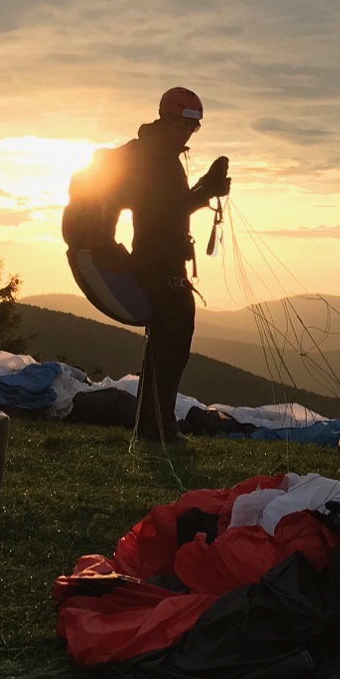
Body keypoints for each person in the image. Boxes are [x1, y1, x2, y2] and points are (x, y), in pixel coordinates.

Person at [107, 87, 231, 443]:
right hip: (158, 263)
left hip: (156, 260)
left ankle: (153, 424)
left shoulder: (155, 154)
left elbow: (167, 207)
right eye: (184, 126)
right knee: (171, 345)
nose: (188, 133)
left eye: (193, 129)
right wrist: (206, 191)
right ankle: (158, 427)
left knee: (165, 346)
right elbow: (164, 214)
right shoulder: (156, 159)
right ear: (167, 119)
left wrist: (203, 191)